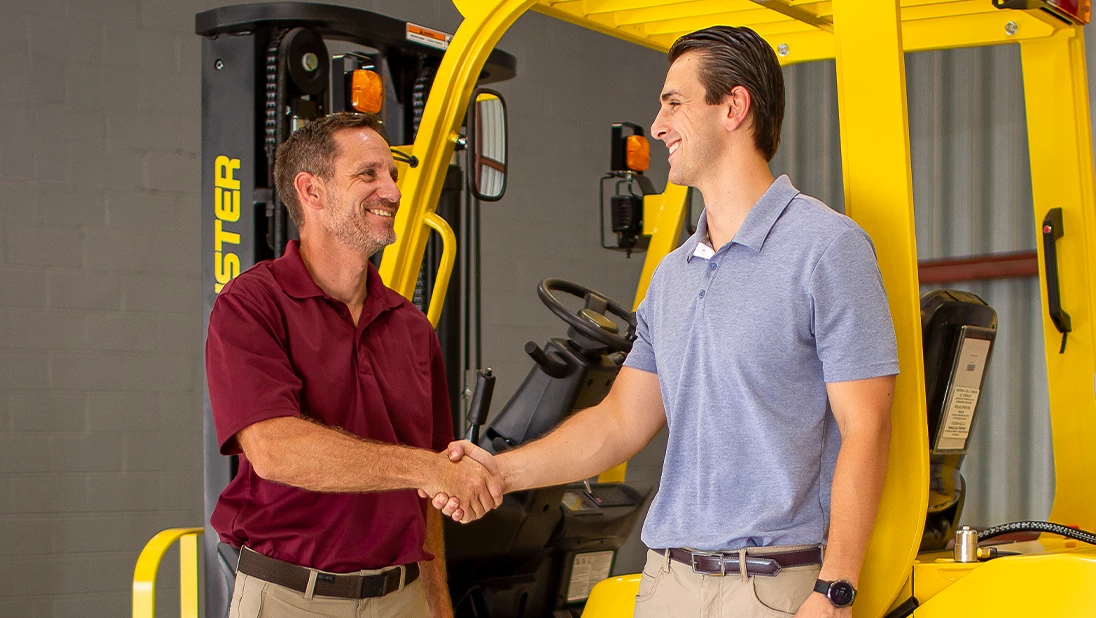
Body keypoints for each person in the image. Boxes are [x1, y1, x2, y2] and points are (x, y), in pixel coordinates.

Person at [434, 26, 898, 618]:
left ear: (733, 107)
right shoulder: (674, 275)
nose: (657, 125)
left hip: (771, 587)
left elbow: (868, 427)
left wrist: (835, 589)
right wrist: (497, 470)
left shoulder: (827, 248)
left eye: (673, 102)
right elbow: (619, 422)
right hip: (668, 583)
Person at [205, 112, 502, 618]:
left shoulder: (411, 326)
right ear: (312, 191)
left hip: (402, 598)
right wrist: (427, 468)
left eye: (391, 175)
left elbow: (427, 497)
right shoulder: (251, 304)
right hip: (290, 599)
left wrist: (438, 605)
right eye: (369, 175)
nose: (392, 190)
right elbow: (275, 450)